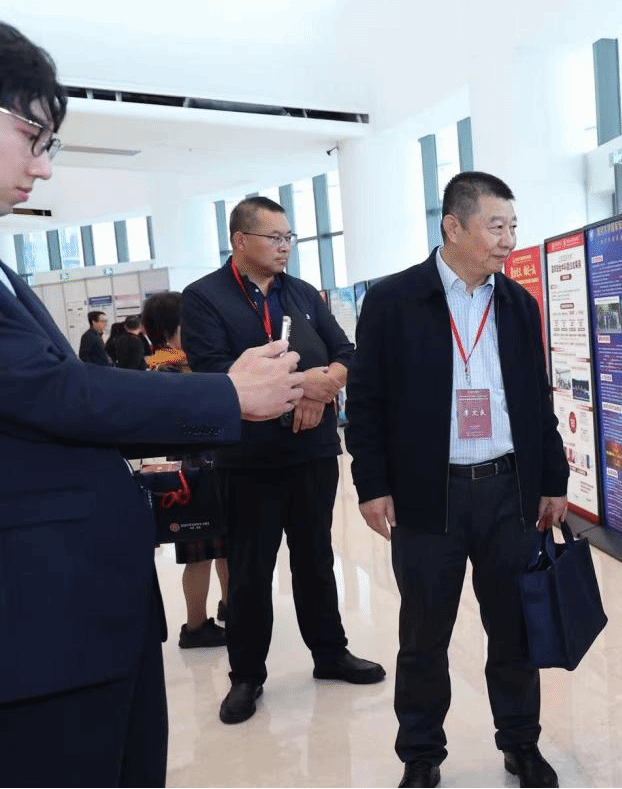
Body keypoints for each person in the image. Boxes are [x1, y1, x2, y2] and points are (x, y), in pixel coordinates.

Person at [0, 22, 305, 788]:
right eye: (32, 135)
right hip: (42, 623)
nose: (43, 165)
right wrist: (228, 394)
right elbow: (58, 393)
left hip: (83, 608)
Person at [345, 171, 570, 789]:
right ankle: (421, 757)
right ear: (453, 226)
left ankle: (521, 743)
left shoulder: (517, 305)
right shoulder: (393, 301)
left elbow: (537, 402)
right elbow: (364, 402)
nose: (509, 240)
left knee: (513, 628)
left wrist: (553, 479)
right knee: (424, 635)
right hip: (427, 495)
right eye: (496, 226)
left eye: (513, 226)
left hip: (507, 491)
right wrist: (371, 483)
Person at [181, 195, 385, 727]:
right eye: (274, 237)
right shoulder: (205, 298)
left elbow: (347, 353)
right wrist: (305, 389)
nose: (285, 246)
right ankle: (247, 675)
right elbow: (215, 373)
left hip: (311, 454)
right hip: (248, 460)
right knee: (250, 570)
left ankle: (330, 653)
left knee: (316, 559)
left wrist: (326, 386)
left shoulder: (304, 294)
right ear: (240, 240)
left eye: (288, 237)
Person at [142, 291, 229, 648]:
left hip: (202, 467)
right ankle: (195, 626)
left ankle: (230, 607)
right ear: (170, 328)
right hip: (195, 472)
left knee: (223, 548)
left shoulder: (167, 362)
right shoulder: (169, 365)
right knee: (202, 554)